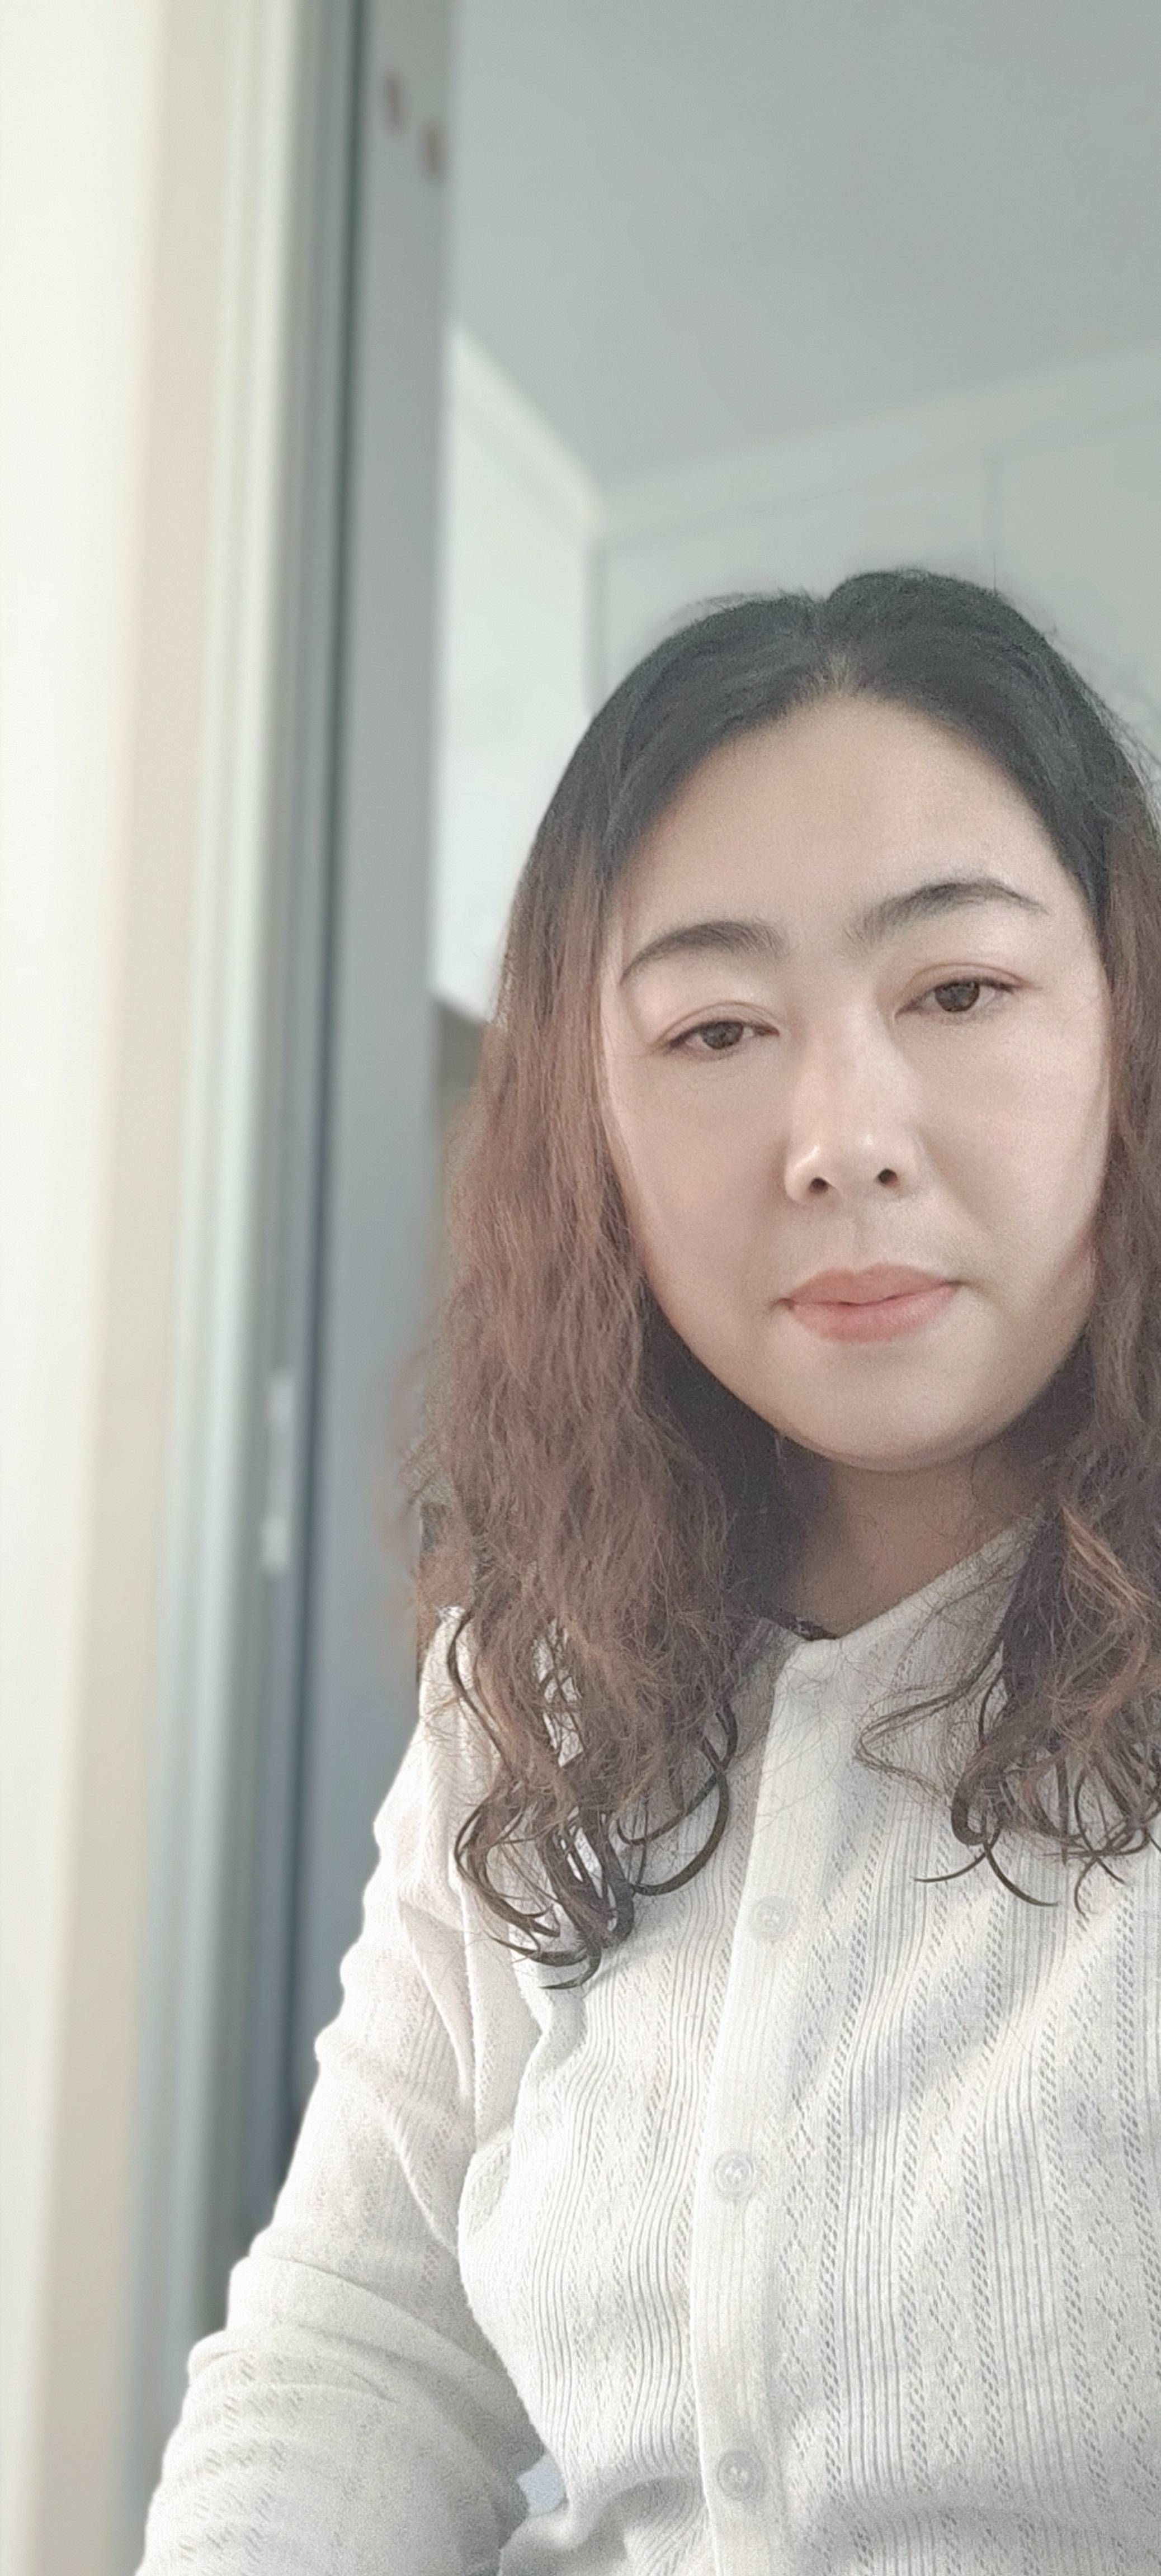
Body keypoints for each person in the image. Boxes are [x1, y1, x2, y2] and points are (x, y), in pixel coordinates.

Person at [137, 571, 1161, 2574]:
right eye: (713, 1029)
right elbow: (360, 2339)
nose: (839, 1137)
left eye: (957, 991)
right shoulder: (532, 1686)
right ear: (590, 1130)